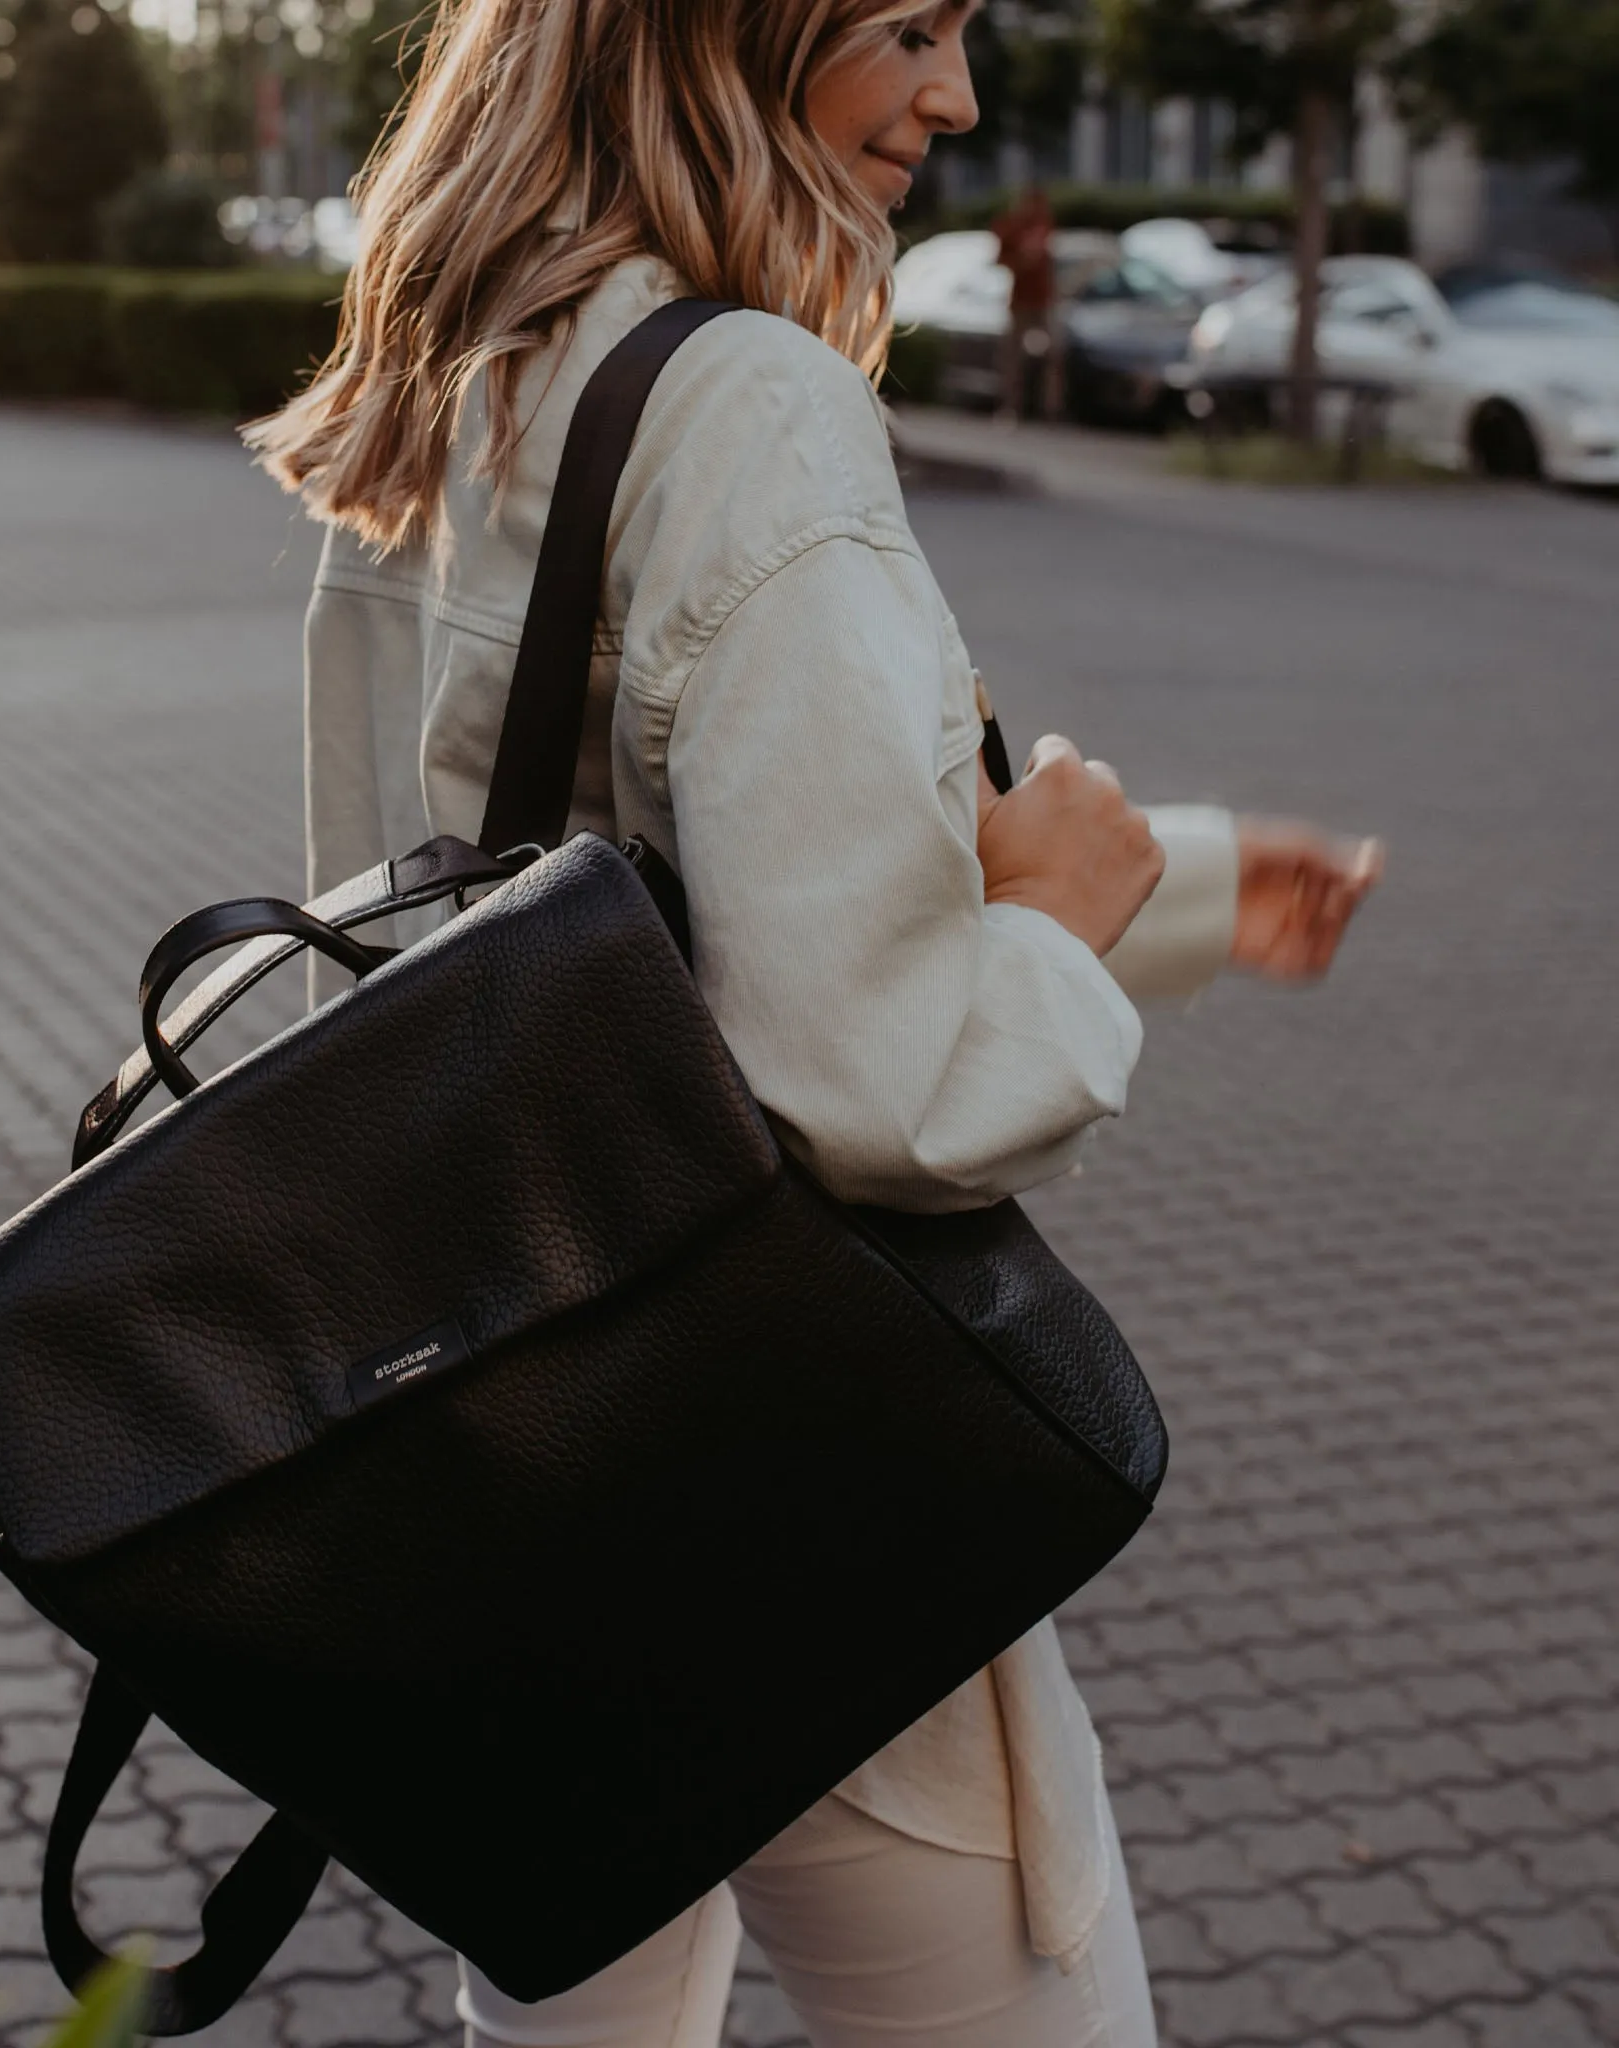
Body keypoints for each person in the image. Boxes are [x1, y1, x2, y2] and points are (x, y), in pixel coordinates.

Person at [249, 0, 1381, 2041]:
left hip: (516, 1448)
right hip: (786, 1477)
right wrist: (1056, 929)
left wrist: (1177, 886)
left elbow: (617, 907)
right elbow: (874, 1081)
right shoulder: (748, 401)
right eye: (904, 28)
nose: (955, 95)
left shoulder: (459, 369)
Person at [993, 181, 1063, 421]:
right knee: (1013, 357)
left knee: (1053, 355)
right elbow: (1001, 259)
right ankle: (1012, 407)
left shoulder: (1044, 225)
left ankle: (1050, 409)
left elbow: (1048, 261)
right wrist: (1022, 260)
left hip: (1042, 299)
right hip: (1021, 300)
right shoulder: (1012, 226)